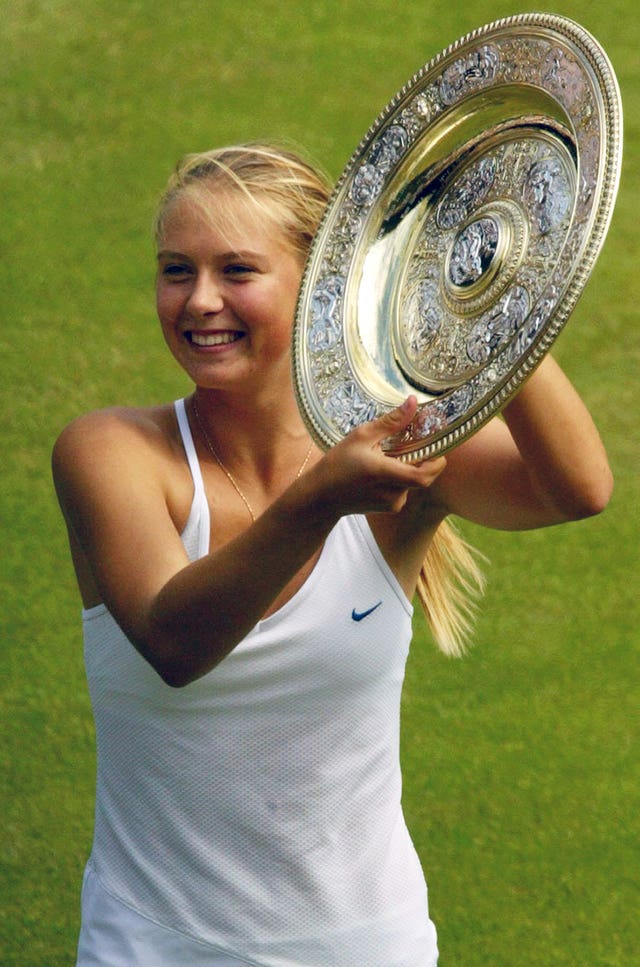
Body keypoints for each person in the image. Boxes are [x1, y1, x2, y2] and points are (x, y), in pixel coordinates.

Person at [52, 143, 613, 967]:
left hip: (368, 947)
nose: (200, 300)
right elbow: (176, 643)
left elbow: (576, 489)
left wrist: (489, 290)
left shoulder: (399, 456)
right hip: (152, 946)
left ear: (324, 282)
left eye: (237, 270)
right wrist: (318, 499)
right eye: (177, 270)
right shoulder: (110, 453)